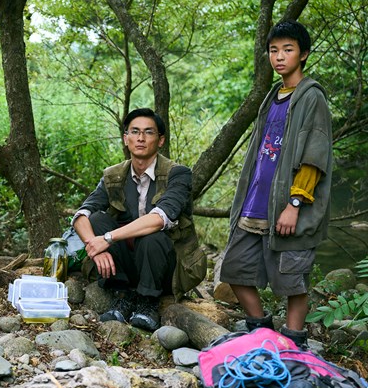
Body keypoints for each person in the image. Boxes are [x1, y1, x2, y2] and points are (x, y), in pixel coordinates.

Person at [219, 20, 333, 347]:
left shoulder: (311, 97)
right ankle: (263, 332)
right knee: (235, 269)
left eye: (288, 49)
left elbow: (315, 155)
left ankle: (294, 344)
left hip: (288, 205)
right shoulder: (272, 96)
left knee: (293, 280)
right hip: (256, 203)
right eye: (273, 50)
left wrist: (295, 204)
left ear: (303, 54)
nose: (279, 56)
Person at [72, 108, 203, 332]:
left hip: (165, 267)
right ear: (126, 138)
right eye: (134, 131)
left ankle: (147, 302)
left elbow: (160, 218)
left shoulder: (178, 174)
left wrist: (107, 238)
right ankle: (122, 295)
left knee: (151, 236)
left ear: (160, 140)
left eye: (148, 132)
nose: (141, 138)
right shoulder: (113, 175)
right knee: (97, 219)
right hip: (127, 263)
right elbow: (81, 215)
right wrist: (94, 246)